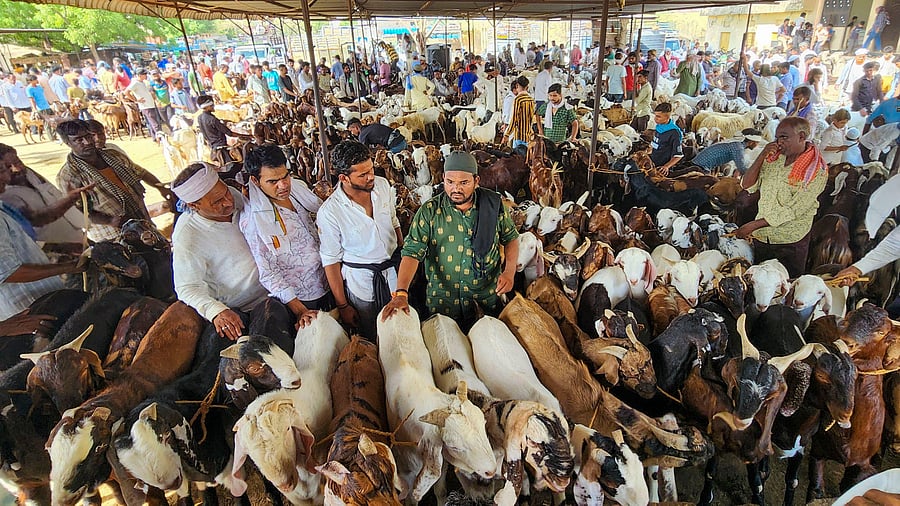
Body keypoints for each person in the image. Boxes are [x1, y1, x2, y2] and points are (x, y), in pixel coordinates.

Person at [382, 151, 518, 330]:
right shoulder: (429, 211)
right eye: (450, 182)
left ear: (476, 181)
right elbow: (411, 253)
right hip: (443, 303)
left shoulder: (493, 206)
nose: (456, 189)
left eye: (464, 183)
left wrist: (509, 272)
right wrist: (401, 292)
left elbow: (511, 238)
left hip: (485, 300)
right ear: (443, 178)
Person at [171, 163, 269, 339]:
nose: (228, 201)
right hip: (244, 307)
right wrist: (216, 311)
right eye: (217, 202)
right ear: (194, 205)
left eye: (225, 192)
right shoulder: (188, 236)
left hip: (275, 287)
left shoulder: (232, 196)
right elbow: (187, 287)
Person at [316, 140, 402, 341]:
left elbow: (393, 219)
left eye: (371, 169)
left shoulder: (382, 185)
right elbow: (330, 261)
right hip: (363, 286)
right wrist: (343, 306)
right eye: (363, 175)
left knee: (399, 330)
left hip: (394, 276)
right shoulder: (330, 213)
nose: (371, 176)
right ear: (344, 178)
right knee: (372, 335)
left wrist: (403, 254)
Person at [241, 145, 331, 329]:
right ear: (255, 181)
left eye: (285, 177)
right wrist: (299, 311)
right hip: (303, 299)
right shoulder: (254, 220)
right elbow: (268, 273)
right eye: (273, 181)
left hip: (329, 279)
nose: (283, 185)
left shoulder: (298, 190)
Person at [735, 117, 827, 277]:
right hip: (763, 237)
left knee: (787, 285)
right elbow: (747, 185)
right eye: (777, 137)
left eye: (784, 137)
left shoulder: (815, 170)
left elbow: (795, 208)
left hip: (790, 240)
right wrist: (762, 154)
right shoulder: (773, 159)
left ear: (802, 137)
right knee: (759, 283)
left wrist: (754, 225)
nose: (779, 142)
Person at [56, 120, 172, 242]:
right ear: (68, 143)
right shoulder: (68, 176)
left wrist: (161, 188)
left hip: (143, 223)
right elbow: (75, 211)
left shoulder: (113, 155)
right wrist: (110, 220)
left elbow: (140, 172)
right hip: (113, 237)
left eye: (88, 136)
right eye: (79, 140)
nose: (88, 142)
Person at [0, 160, 85, 320]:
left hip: (44, 300)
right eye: (2, 170)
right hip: (31, 309)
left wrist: (56, 248)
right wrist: (69, 267)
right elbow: (8, 273)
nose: (8, 175)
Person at [0, 144, 88, 245]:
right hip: (55, 250)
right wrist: (70, 199)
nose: (17, 168)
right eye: (7, 167)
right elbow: (36, 219)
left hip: (77, 236)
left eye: (18, 162)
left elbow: (52, 194)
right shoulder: (5, 197)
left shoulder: (27, 172)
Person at [196, 95, 248, 167]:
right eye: (211, 105)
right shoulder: (212, 120)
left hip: (213, 149)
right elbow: (230, 133)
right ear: (207, 106)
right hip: (222, 150)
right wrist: (247, 136)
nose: (213, 106)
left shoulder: (200, 118)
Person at [691, 129, 763, 175]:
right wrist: (756, 172)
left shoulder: (736, 144)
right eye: (757, 142)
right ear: (751, 142)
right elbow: (742, 169)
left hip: (699, 164)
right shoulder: (738, 148)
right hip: (701, 167)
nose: (757, 145)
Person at [126, 68, 164, 140]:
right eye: (144, 74)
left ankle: (155, 138)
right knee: (155, 123)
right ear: (140, 75)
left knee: (152, 122)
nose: (146, 75)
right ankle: (161, 138)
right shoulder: (135, 83)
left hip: (149, 105)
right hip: (146, 106)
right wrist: (136, 100)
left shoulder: (142, 82)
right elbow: (126, 92)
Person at [649, 103, 684, 177]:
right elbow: (655, 145)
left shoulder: (674, 133)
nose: (655, 118)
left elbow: (678, 155)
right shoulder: (659, 126)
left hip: (662, 169)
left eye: (659, 116)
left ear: (667, 117)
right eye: (655, 115)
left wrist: (666, 166)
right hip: (652, 163)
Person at [502, 76, 535, 151]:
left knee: (517, 158)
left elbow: (514, 119)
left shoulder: (518, 99)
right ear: (527, 86)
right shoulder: (530, 99)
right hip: (528, 135)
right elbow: (532, 118)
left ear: (517, 86)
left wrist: (507, 134)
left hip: (519, 135)